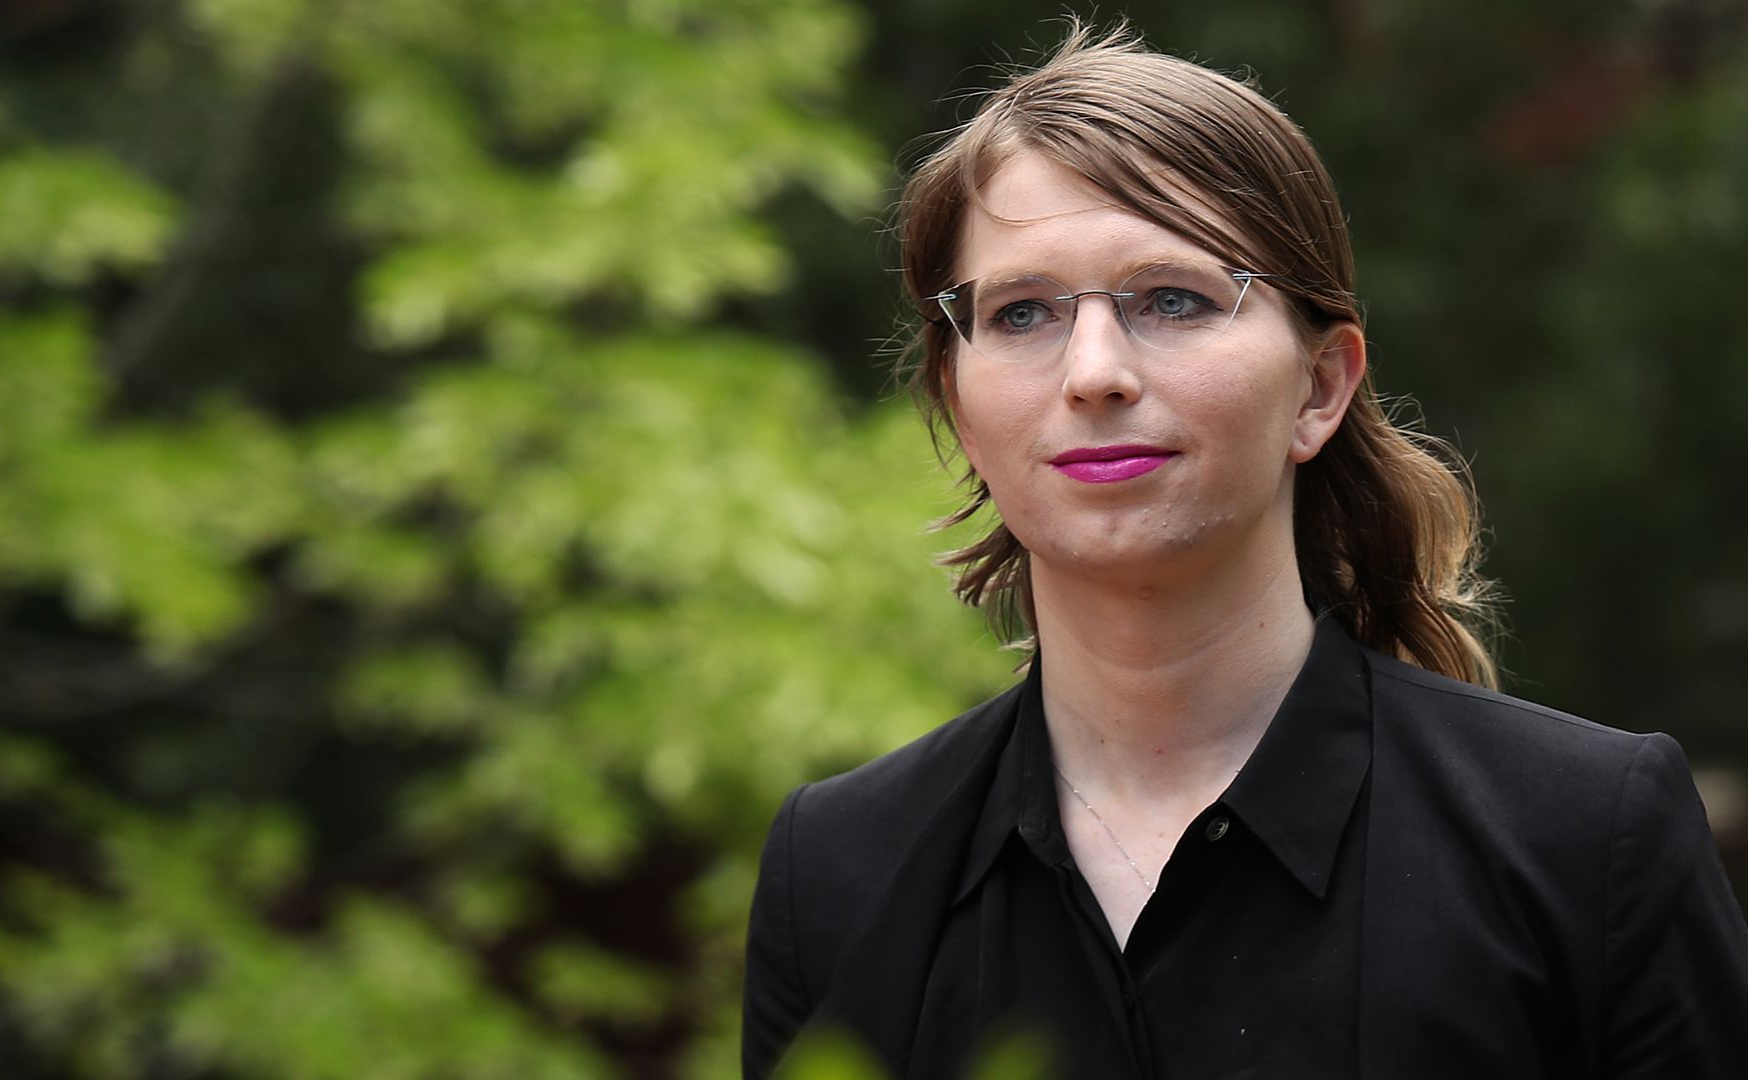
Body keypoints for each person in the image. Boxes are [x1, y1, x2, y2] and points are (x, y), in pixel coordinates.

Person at [741, 22, 1748, 1080]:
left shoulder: (1588, 836)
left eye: (1172, 298)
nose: (1093, 372)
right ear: (958, 397)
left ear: (1320, 387)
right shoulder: (840, 872)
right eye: (1023, 311)